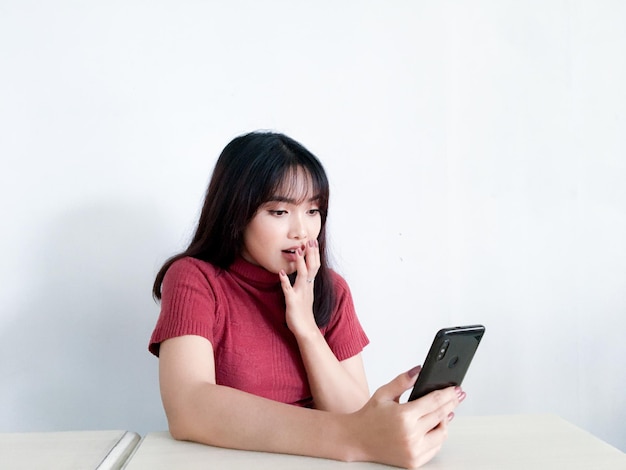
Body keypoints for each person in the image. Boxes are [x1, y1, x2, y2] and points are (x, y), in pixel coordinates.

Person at [148, 131, 465, 469]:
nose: (302, 230)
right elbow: (189, 408)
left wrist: (307, 331)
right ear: (236, 213)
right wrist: (353, 438)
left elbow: (356, 416)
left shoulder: (333, 289)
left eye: (313, 210)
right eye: (280, 211)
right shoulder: (195, 278)